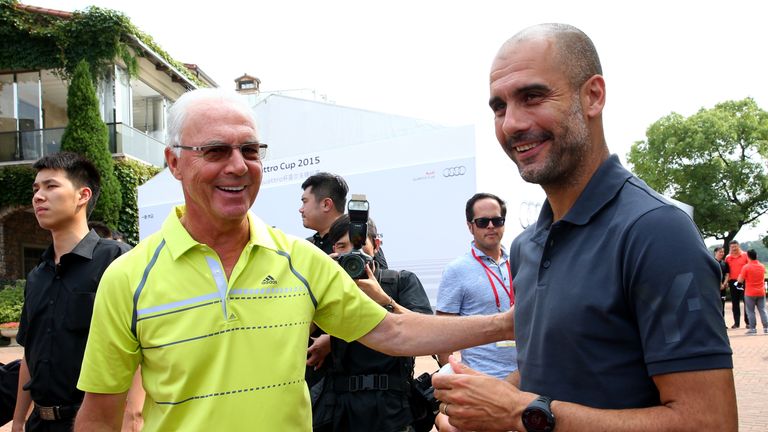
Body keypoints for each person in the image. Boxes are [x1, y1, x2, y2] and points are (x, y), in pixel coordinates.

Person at [73, 88, 513, 432]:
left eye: (250, 150)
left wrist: (507, 323)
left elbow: (392, 331)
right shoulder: (128, 276)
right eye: (215, 151)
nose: (238, 166)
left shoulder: (299, 259)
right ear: (173, 162)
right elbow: (102, 414)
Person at [432, 23, 736, 432]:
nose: (511, 124)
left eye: (532, 96)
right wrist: (487, 407)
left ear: (593, 95)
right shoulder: (526, 246)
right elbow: (546, 374)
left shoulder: (656, 231)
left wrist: (519, 413)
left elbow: (709, 422)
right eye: (500, 107)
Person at [11, 152, 132, 432]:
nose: (39, 196)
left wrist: (132, 416)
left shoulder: (116, 260)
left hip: (95, 421)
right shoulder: (37, 275)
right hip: (39, 423)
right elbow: (31, 351)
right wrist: (18, 419)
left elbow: (141, 343)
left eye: (51, 186)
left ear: (82, 195)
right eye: (36, 189)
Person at [308, 215, 432, 432]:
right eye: (342, 246)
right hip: (343, 409)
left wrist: (383, 299)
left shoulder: (401, 281)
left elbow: (426, 334)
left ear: (376, 245)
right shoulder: (330, 289)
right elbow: (299, 329)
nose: (352, 254)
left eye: (359, 245)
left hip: (392, 408)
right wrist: (319, 279)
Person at [434, 192, 518, 431]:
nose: (491, 226)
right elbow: (443, 333)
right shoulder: (457, 270)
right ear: (470, 226)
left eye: (497, 220)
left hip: (526, 378)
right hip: (480, 382)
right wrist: (453, 374)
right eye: (483, 222)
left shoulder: (522, 262)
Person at [300, 172, 349, 254]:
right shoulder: (306, 246)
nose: (301, 209)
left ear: (326, 205)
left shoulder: (358, 240)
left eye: (305, 202)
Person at [737, 249, 767, 335]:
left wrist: (739, 281)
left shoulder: (746, 267)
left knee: (750, 311)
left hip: (750, 292)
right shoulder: (762, 266)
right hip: (761, 291)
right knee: (762, 310)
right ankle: (766, 328)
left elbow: (740, 281)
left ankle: (753, 329)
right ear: (756, 256)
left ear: (748, 256)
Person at [725, 240, 749, 328]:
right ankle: (736, 323)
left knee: (746, 301)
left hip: (744, 281)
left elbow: (749, 267)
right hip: (732, 282)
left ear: (739, 246)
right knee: (735, 303)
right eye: (732, 247)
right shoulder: (728, 258)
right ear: (730, 248)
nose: (734, 249)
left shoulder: (745, 255)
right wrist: (726, 281)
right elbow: (726, 271)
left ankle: (748, 322)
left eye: (735, 246)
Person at [714, 246, 729, 317]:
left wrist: (724, 284)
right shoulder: (712, 262)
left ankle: (723, 323)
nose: (722, 253)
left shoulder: (725, 264)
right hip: (714, 288)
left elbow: (727, 274)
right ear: (715, 252)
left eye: (723, 252)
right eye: (720, 252)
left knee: (722, 306)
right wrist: (719, 284)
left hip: (723, 288)